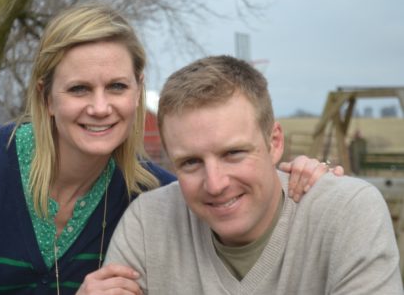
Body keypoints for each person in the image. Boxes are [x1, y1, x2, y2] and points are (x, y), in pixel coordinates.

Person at [0, 3, 334, 295]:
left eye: (116, 86)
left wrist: (307, 183)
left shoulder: (153, 197)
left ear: (137, 90)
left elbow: (241, 209)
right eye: (78, 89)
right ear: (46, 97)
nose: (99, 107)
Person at [105, 55, 403, 294]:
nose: (216, 183)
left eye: (233, 154)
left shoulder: (346, 213)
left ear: (274, 143)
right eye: (191, 162)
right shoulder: (148, 222)